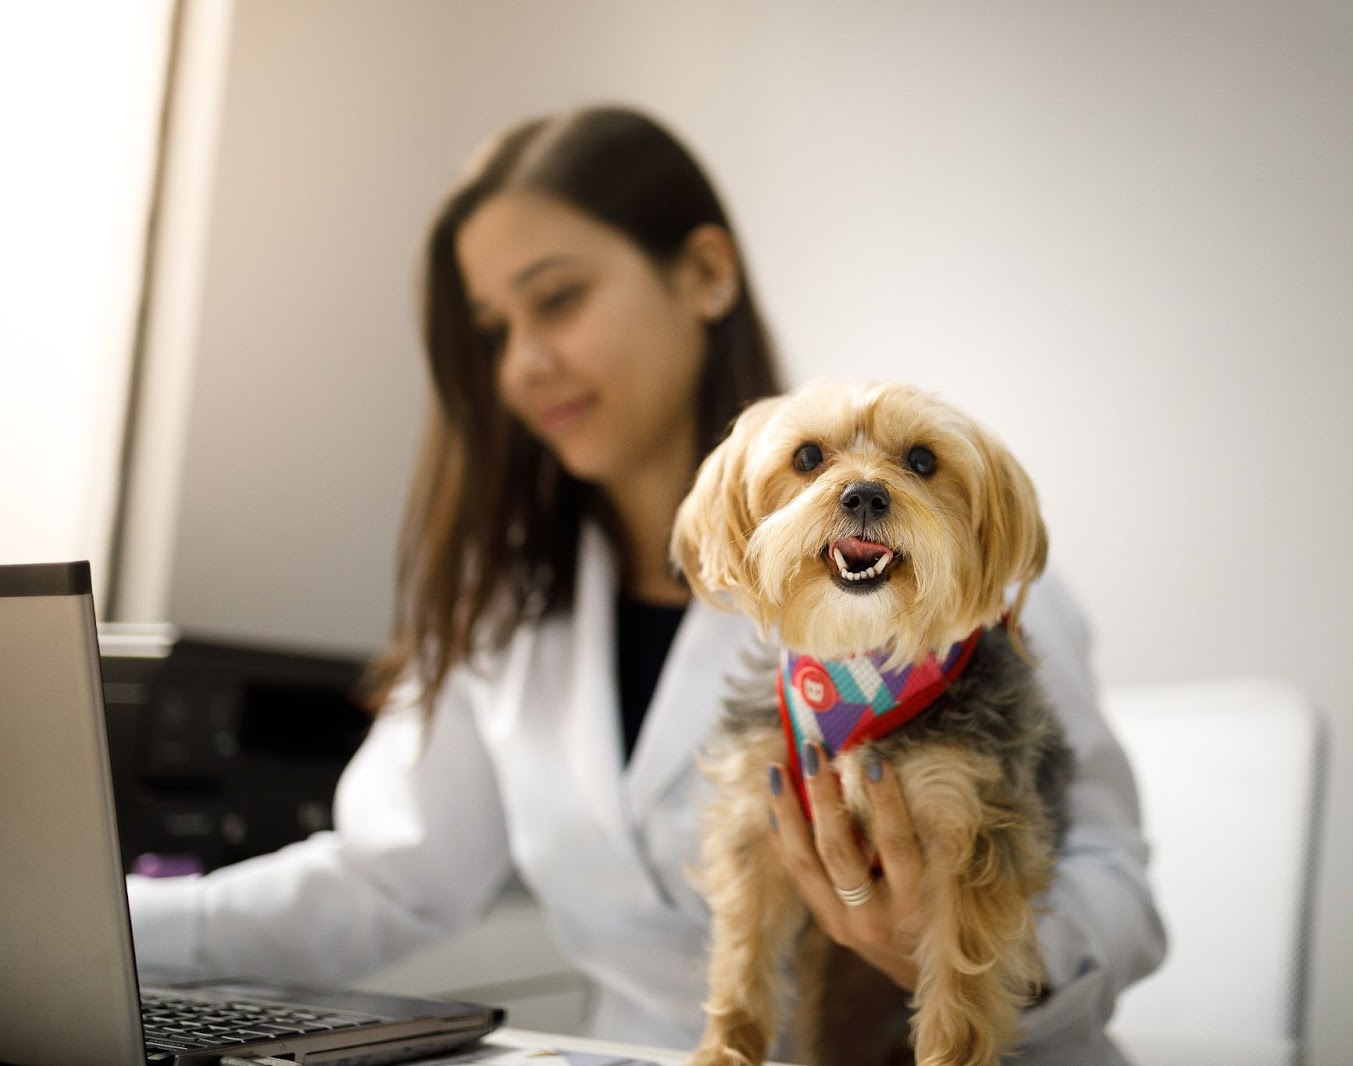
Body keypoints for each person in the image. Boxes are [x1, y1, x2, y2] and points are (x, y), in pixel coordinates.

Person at [127, 105, 1165, 1064]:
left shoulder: (951, 576)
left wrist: (958, 959)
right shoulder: (507, 610)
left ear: (704, 273)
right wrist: (96, 925)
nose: (525, 363)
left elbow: (1117, 884)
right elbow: (381, 881)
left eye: (558, 299)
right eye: (493, 332)